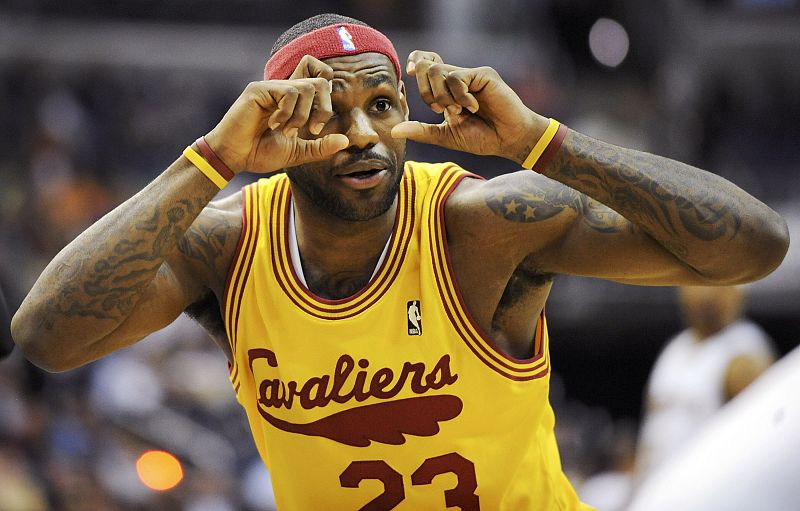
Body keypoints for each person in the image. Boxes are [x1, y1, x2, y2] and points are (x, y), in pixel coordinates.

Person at [10, 12, 789, 510]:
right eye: (328, 111)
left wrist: (540, 143)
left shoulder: (479, 223)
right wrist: (213, 158)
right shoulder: (229, 243)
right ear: (277, 136)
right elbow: (46, 335)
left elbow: (754, 246)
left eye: (381, 106)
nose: (361, 135)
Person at [634, 286, 776, 482]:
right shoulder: (675, 349)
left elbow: (760, 440)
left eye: (715, 287)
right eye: (694, 286)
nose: (704, 295)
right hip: (659, 486)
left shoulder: (743, 351)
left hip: (710, 488)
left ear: (736, 295)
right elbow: (652, 428)